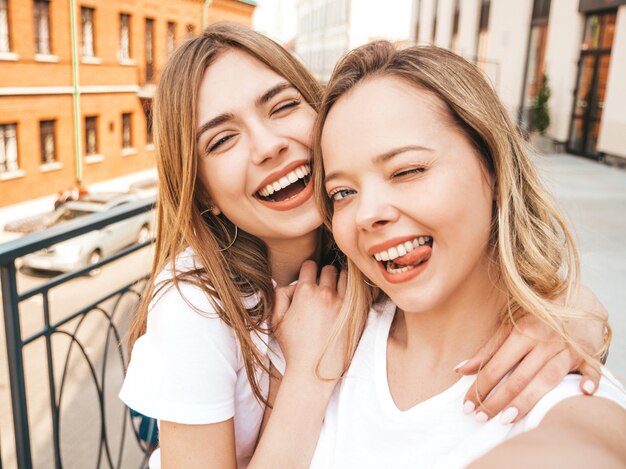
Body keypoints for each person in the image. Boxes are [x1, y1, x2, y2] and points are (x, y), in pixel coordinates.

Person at [119, 23, 609, 468]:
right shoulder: (197, 306)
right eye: (222, 140)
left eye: (284, 105)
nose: (267, 145)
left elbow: (586, 436)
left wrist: (572, 316)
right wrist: (309, 374)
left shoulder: (361, 265)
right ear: (204, 193)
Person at [296, 41, 625, 468]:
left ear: (491, 165)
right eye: (343, 192)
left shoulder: (562, 384)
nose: (367, 213)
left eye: (408, 170)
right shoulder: (319, 335)